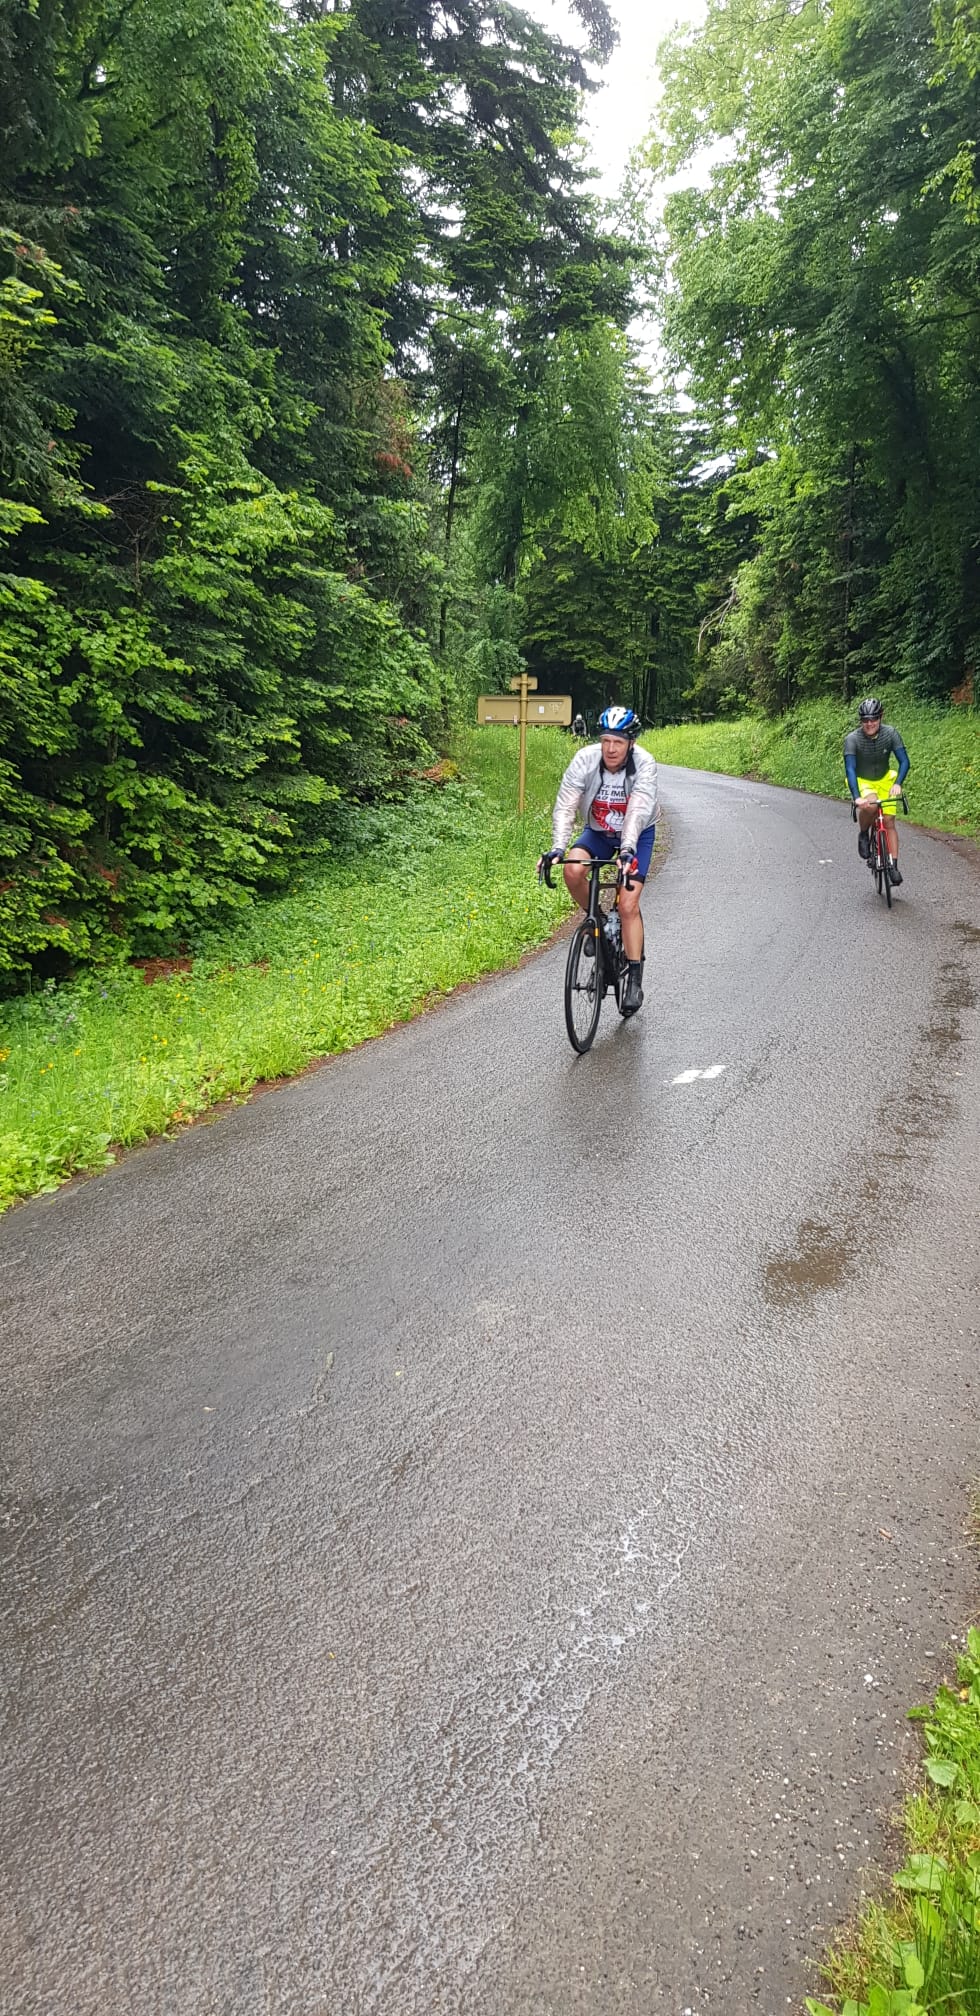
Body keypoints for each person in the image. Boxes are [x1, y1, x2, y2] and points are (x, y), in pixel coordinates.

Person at [538, 705, 659, 1014]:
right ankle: (599, 922)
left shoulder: (644, 764)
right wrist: (557, 848)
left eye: (618, 742)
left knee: (628, 904)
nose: (610, 748)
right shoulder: (585, 760)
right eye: (606, 740)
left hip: (637, 834)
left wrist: (627, 850)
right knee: (573, 870)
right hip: (598, 831)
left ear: (631, 743)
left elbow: (638, 809)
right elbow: (566, 805)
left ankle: (634, 977)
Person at [844, 697, 911, 886]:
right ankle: (863, 833)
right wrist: (857, 797)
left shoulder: (890, 734)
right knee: (871, 805)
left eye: (873, 719)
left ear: (881, 717)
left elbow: (904, 761)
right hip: (863, 780)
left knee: (888, 821)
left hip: (884, 779)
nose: (869, 723)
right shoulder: (852, 739)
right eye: (865, 720)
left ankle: (893, 866)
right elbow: (850, 769)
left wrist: (898, 783)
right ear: (861, 720)